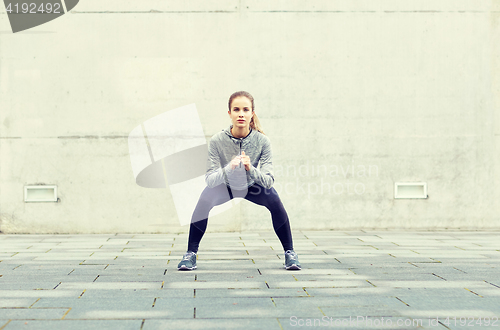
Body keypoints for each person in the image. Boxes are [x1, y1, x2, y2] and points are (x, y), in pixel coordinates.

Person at [177, 91, 301, 271]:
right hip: (224, 186)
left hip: (252, 186)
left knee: (275, 202)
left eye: (245, 109)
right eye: (236, 109)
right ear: (229, 113)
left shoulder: (263, 142)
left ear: (252, 113)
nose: (241, 114)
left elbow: (268, 181)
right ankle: (190, 255)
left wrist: (251, 169)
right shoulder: (217, 141)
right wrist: (229, 168)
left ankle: (290, 253)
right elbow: (210, 180)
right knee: (203, 202)